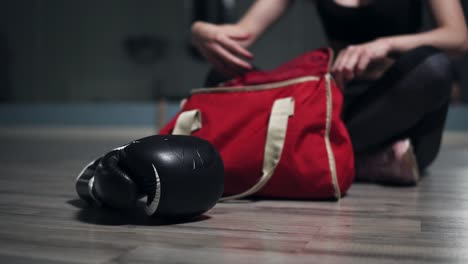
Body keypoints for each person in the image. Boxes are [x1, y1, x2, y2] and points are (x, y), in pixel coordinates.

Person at [190, 0, 468, 186]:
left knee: (434, 69)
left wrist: (384, 44)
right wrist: (200, 31)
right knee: (222, 76)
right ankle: (356, 162)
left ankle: (311, 157)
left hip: (397, 108)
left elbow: (458, 36)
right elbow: (241, 33)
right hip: (337, 105)